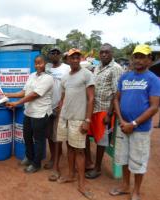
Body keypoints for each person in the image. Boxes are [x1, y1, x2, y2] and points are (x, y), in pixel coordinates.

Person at [110, 45, 160, 200]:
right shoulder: (125, 77)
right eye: (136, 56)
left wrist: (133, 123)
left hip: (140, 129)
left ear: (149, 60)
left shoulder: (153, 79)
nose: (138, 60)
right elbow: (116, 100)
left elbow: (154, 107)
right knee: (124, 158)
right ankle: (125, 186)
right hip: (123, 126)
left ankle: (136, 191)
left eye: (142, 56)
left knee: (138, 161)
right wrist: (122, 120)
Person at [56, 48, 95, 199]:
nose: (75, 60)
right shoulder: (65, 78)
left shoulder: (87, 74)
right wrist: (60, 116)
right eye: (72, 57)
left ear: (81, 59)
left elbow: (91, 98)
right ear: (67, 59)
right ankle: (71, 175)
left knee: (79, 151)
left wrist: (87, 120)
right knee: (69, 147)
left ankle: (82, 184)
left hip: (79, 118)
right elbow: (63, 99)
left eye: (77, 57)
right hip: (65, 118)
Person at [5, 55, 54, 173]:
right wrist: (7, 94)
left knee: (38, 139)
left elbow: (34, 95)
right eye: (36, 63)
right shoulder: (32, 76)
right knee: (27, 136)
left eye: (40, 63)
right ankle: (29, 157)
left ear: (45, 64)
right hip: (29, 112)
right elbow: (24, 92)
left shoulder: (48, 78)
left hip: (40, 113)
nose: (38, 65)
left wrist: (16, 103)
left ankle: (36, 164)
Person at [85, 43, 123, 179]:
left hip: (104, 109)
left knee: (101, 140)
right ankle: (88, 162)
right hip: (93, 108)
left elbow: (116, 93)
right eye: (101, 52)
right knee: (86, 135)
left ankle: (97, 168)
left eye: (106, 52)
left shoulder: (116, 68)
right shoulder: (97, 68)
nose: (104, 54)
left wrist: (109, 113)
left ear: (112, 53)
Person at [45, 46, 71, 182]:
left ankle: (56, 164)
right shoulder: (47, 68)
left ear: (61, 55)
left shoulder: (66, 68)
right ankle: (53, 157)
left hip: (61, 107)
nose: (54, 54)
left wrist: (62, 105)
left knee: (58, 136)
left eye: (57, 52)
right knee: (49, 135)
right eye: (52, 52)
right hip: (47, 107)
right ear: (49, 55)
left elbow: (69, 86)